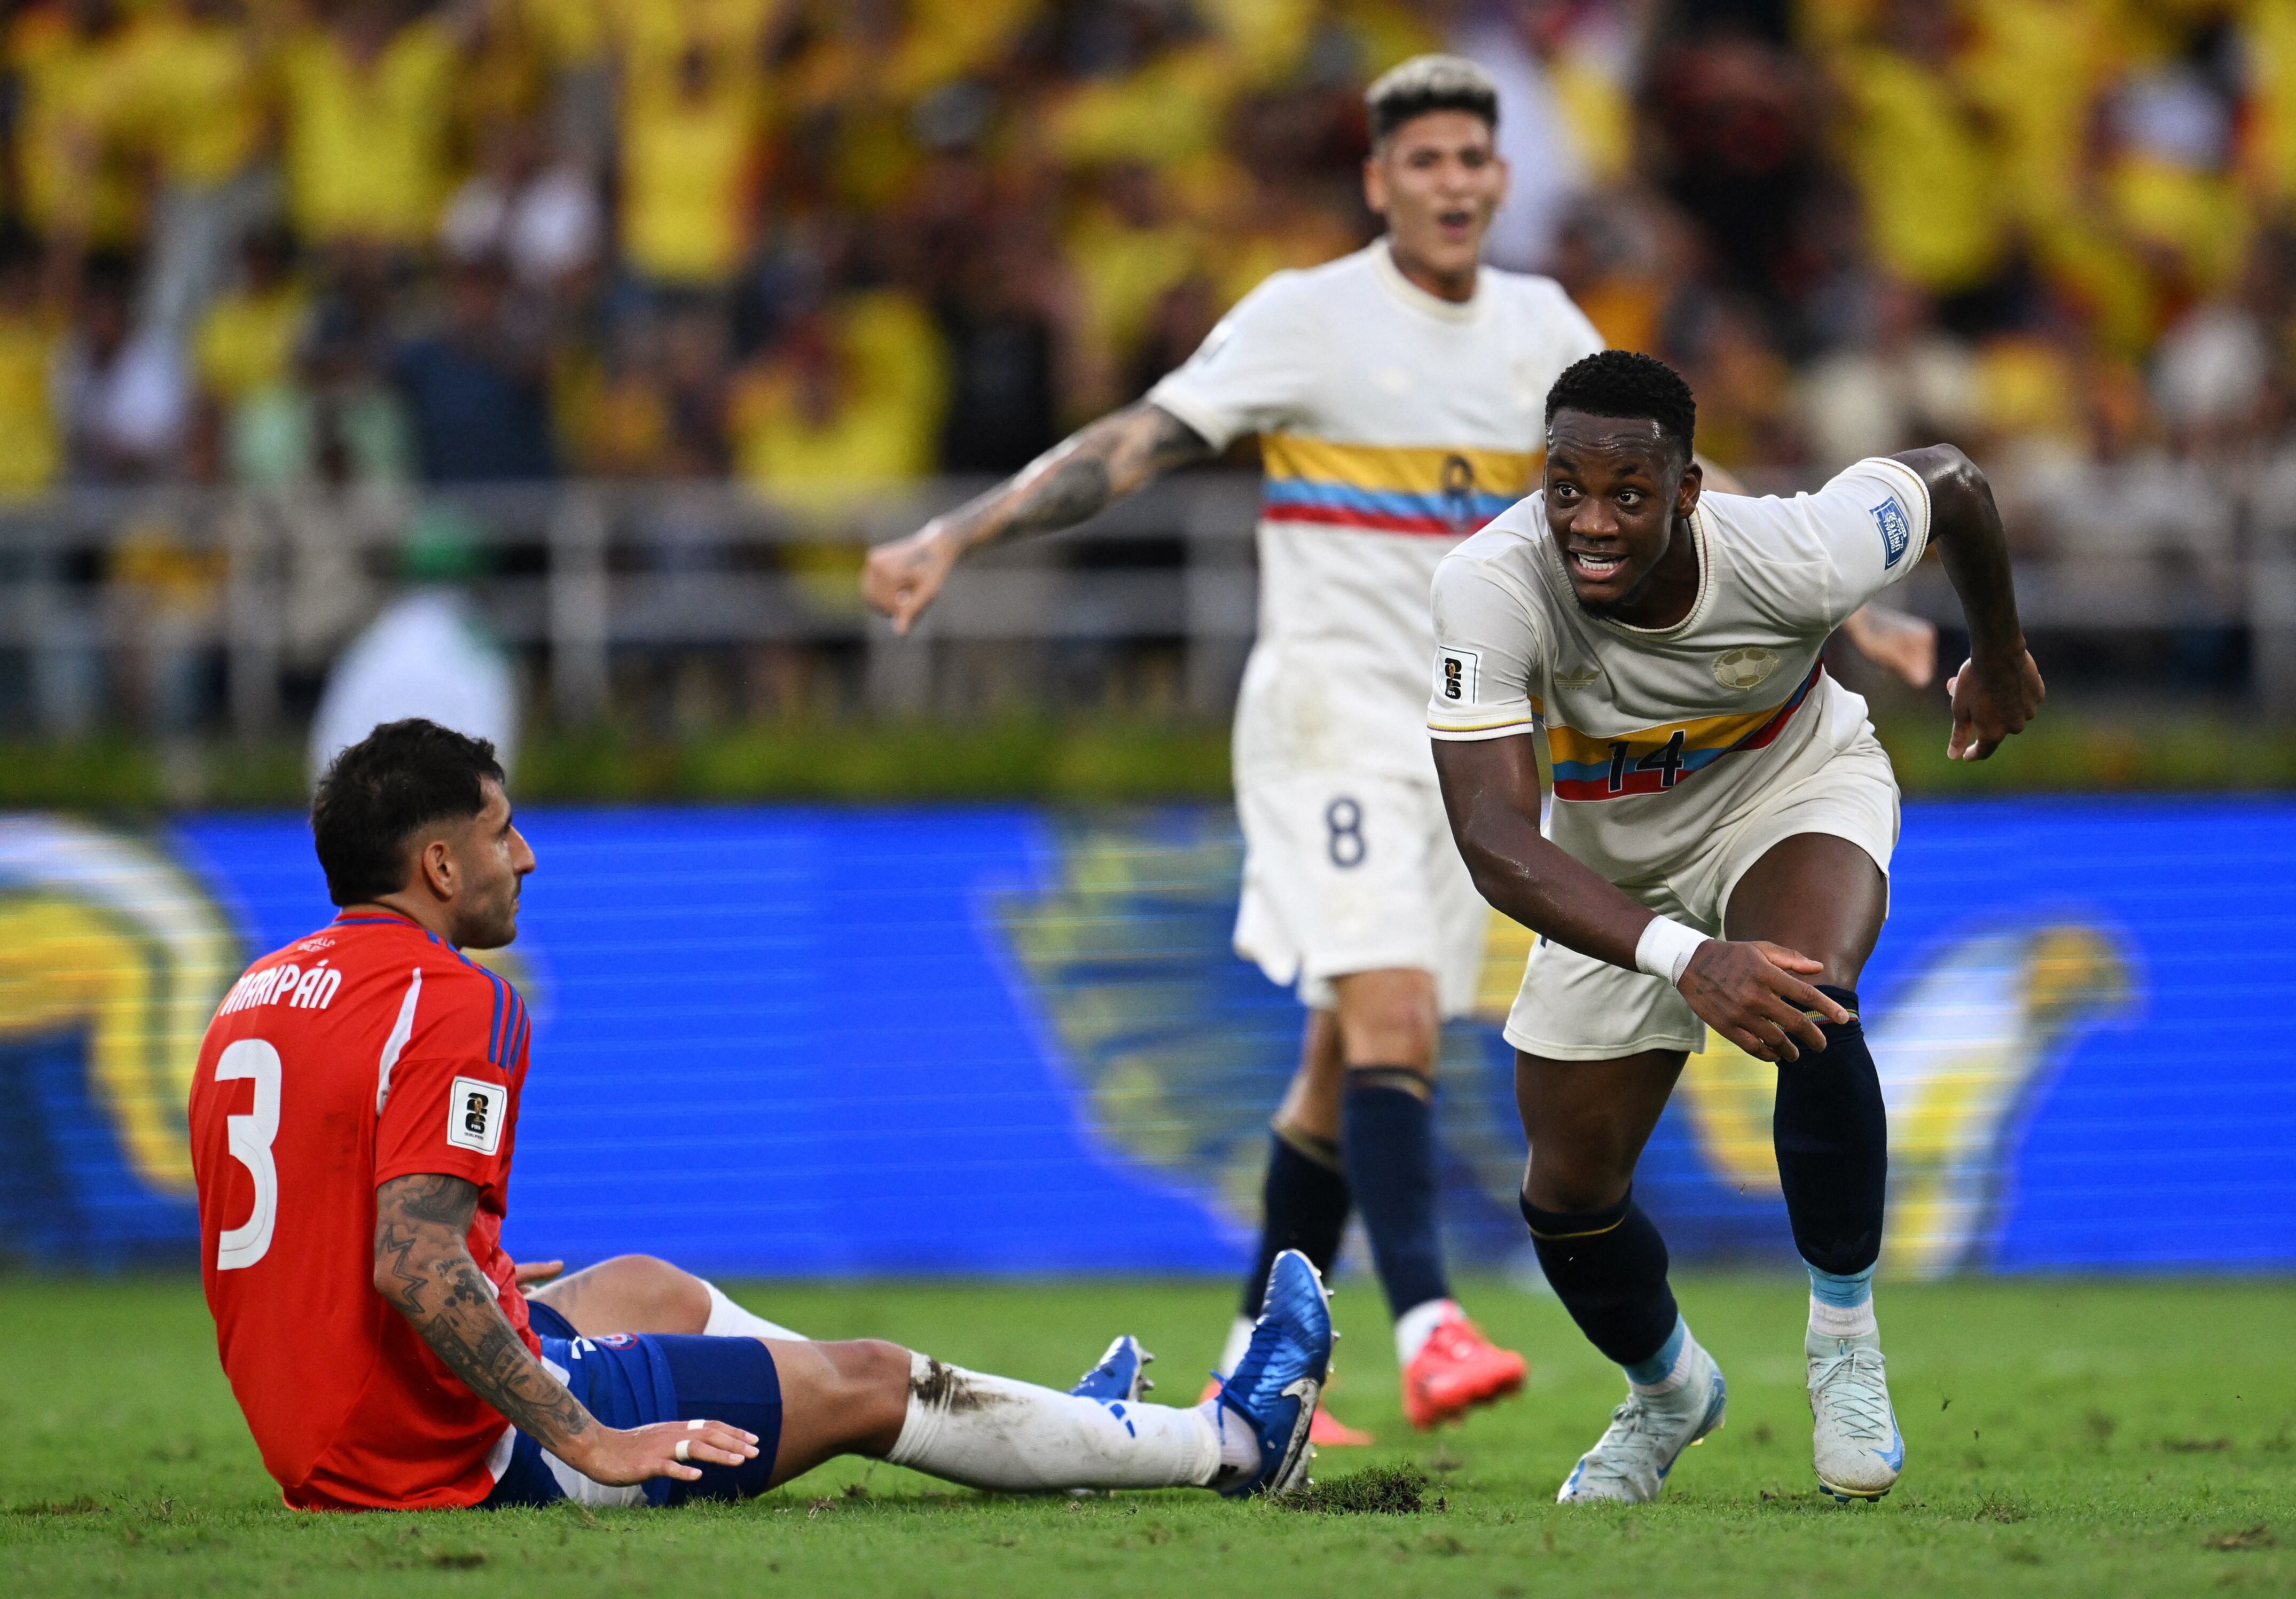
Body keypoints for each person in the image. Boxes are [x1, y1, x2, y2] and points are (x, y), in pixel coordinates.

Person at [861, 53, 1937, 1441]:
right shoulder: (1305, 321)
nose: (1450, 184)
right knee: (1389, 1012)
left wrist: (1852, 597)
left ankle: (1256, 1360)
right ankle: (1428, 1324)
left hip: (1476, 732)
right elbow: (1135, 443)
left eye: (1471, 161)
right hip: (1328, 724)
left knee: (1337, 1060)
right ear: (1377, 183)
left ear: (1499, 179)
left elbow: (1670, 475)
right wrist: (961, 531)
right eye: (1420, 162)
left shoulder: (1540, 324)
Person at [188, 718, 1331, 1512]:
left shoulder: (256, 995)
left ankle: (1053, 1437)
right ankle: (1228, 1444)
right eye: (500, 833)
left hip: (325, 1433)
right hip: (447, 1455)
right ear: (438, 864)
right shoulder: (451, 997)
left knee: (646, 1284)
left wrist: (476, 1269)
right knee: (876, 1380)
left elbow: (317, 1237)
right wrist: (589, 1437)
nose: (524, 857)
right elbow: (412, 1256)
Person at [1424, 350, 2043, 1504]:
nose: (1589, 523)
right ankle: (1666, 1394)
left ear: (1689, 490)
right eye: (1564, 488)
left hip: (1787, 792)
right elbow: (1493, 840)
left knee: (1807, 992)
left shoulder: (1796, 553)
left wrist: (1997, 655)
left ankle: (1844, 1347)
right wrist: (1681, 954)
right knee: (1565, 1194)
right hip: (1614, 865)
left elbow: (1954, 480)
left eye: (1627, 493)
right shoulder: (1489, 585)